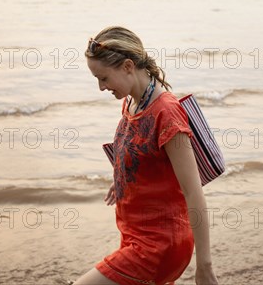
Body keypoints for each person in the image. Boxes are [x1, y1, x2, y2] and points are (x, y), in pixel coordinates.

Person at [74, 26, 219, 285]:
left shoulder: (166, 112)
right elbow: (145, 155)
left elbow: (193, 192)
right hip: (134, 234)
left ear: (128, 66)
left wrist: (204, 266)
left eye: (104, 78)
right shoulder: (131, 102)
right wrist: (124, 179)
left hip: (159, 244)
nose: (100, 87)